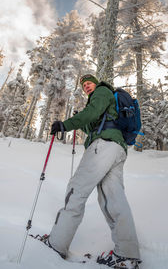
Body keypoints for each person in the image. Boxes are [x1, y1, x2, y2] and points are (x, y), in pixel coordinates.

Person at [43, 74, 141, 268]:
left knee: (77, 190)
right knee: (113, 199)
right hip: (116, 149)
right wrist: (83, 120)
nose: (86, 87)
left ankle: (56, 244)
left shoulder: (102, 91)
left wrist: (66, 124)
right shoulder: (106, 100)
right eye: (84, 86)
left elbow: (93, 112)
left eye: (89, 83)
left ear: (96, 84)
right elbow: (92, 124)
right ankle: (127, 255)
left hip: (103, 146)